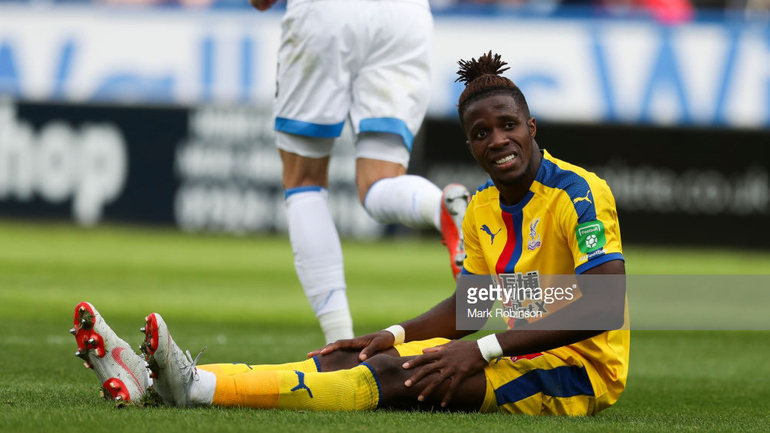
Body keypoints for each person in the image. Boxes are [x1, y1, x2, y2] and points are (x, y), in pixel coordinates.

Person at [71, 51, 628, 415]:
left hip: (578, 371)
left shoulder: (579, 194)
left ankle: (192, 389)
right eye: (481, 132)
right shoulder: (483, 208)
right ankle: (171, 380)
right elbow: (472, 305)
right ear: (469, 145)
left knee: (393, 379)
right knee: (357, 358)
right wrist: (393, 332)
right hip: (508, 349)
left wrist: (476, 350)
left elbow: (602, 305)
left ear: (531, 129)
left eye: (508, 125)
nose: (497, 140)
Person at [249, 0, 470, 345]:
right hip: (405, 16)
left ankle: (339, 341)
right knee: (379, 182)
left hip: (328, 13)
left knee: (303, 181)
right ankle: (439, 205)